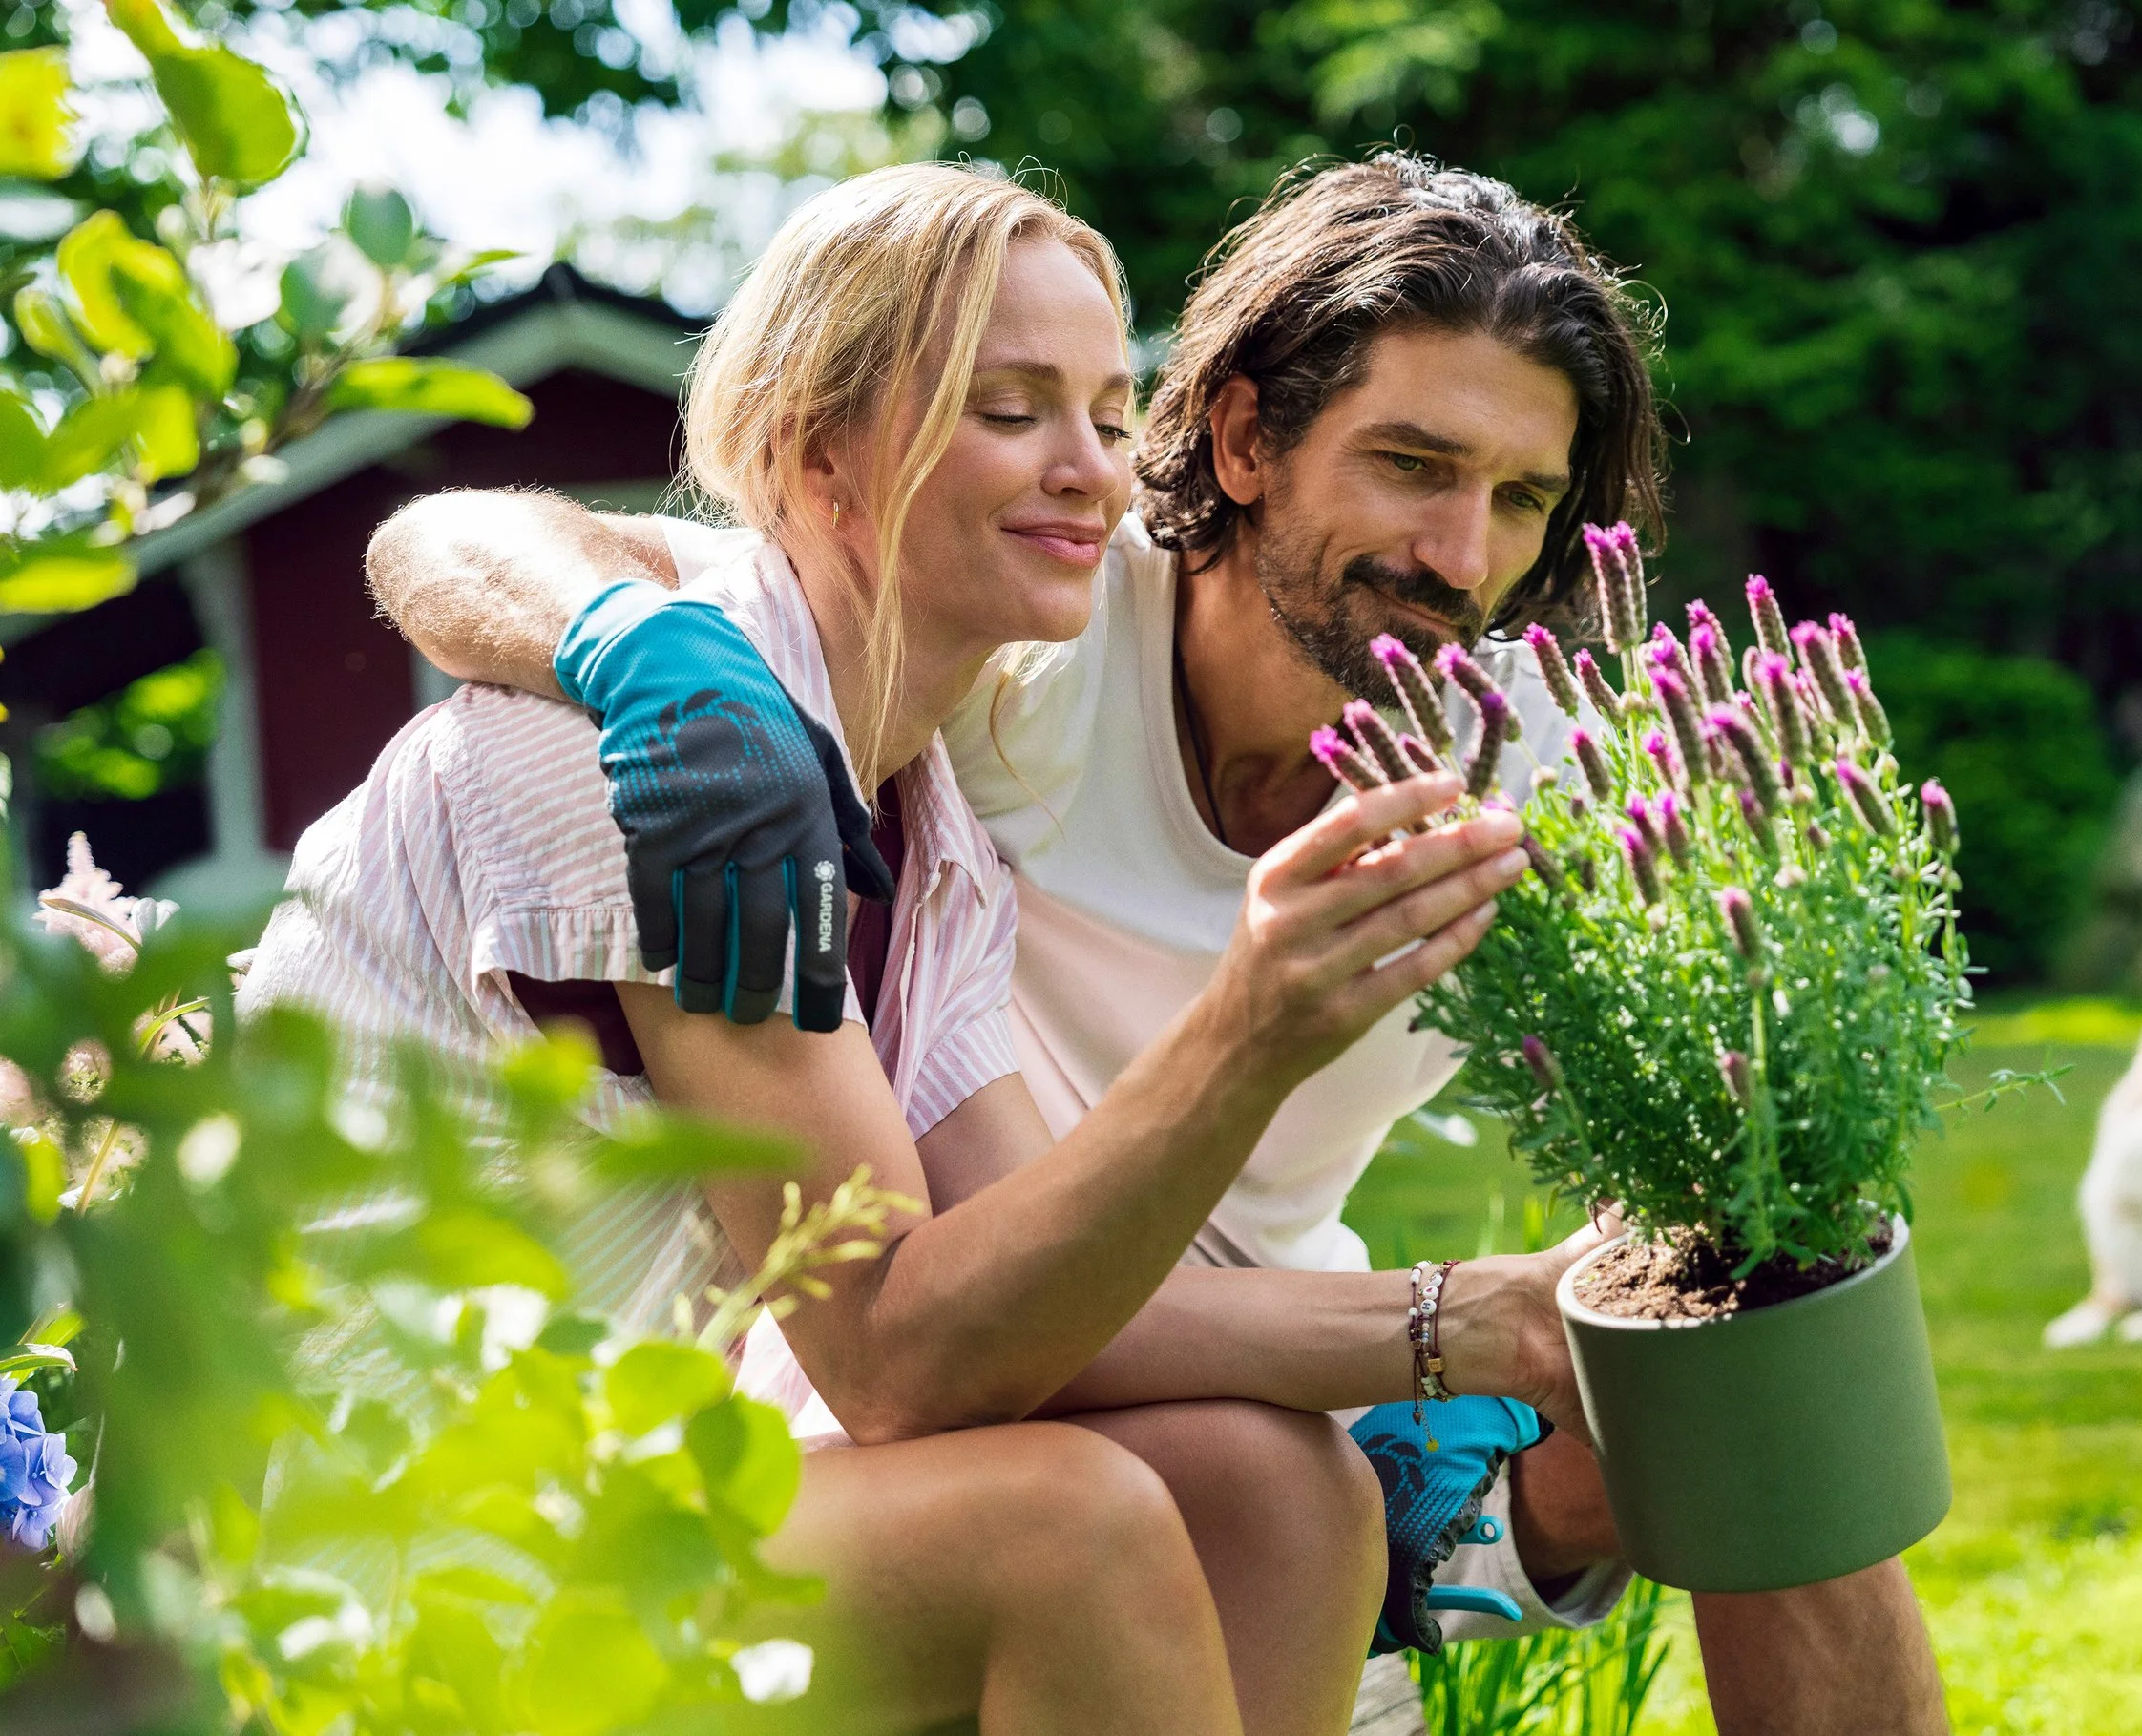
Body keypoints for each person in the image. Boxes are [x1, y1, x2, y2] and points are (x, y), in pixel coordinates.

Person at [371, 155, 1953, 1735]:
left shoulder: (1499, 787)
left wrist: (1667, 1268)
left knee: (1747, 1355)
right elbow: (458, 544)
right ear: (1249, 438)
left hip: (1296, 1400)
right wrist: (636, 647)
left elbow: (1725, 1221)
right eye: (1413, 464)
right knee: (1134, 1506)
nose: (1465, 557)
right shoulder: (1011, 642)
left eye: (1525, 502)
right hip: (970, 1419)